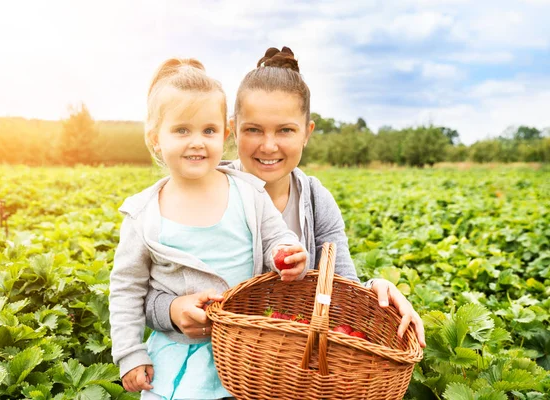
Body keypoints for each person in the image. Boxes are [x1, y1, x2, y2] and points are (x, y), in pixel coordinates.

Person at [145, 47, 427, 348]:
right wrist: (173, 311)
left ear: (307, 132)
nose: (269, 146)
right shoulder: (196, 191)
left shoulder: (316, 201)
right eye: (253, 129)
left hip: (288, 368)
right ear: (232, 130)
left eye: (286, 131)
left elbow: (343, 293)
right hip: (214, 363)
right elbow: (141, 293)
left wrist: (376, 290)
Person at [109, 58, 309, 399]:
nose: (197, 142)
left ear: (225, 134)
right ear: (156, 137)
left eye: (209, 130)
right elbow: (127, 288)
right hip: (177, 358)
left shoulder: (248, 193)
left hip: (247, 353)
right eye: (182, 130)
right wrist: (130, 352)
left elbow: (278, 236)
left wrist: (288, 254)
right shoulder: (143, 214)